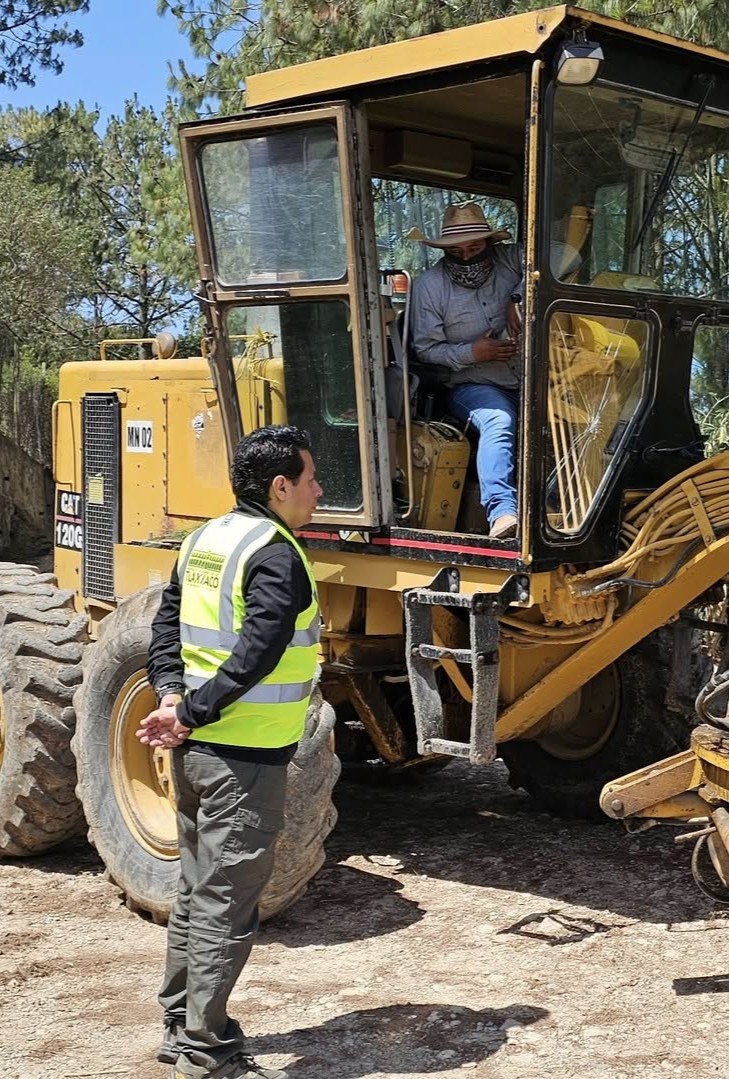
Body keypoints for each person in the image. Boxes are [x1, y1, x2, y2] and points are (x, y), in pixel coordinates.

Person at [137, 424, 323, 1079]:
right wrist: (187, 709)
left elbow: (166, 628)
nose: (318, 489)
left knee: (196, 891)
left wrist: (170, 699)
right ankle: (206, 1048)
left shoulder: (205, 538)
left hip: (198, 754)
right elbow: (259, 648)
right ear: (279, 486)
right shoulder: (274, 551)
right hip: (243, 757)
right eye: (309, 478)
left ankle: (178, 1024)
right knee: (225, 903)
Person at [408, 202, 524, 539]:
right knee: (499, 421)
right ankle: (502, 512)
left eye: (474, 247)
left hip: (531, 378)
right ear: (445, 251)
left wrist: (518, 296)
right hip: (471, 384)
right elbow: (426, 350)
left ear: (489, 244)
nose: (466, 256)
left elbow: (563, 256)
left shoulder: (510, 259)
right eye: (456, 250)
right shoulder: (429, 286)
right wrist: (474, 352)